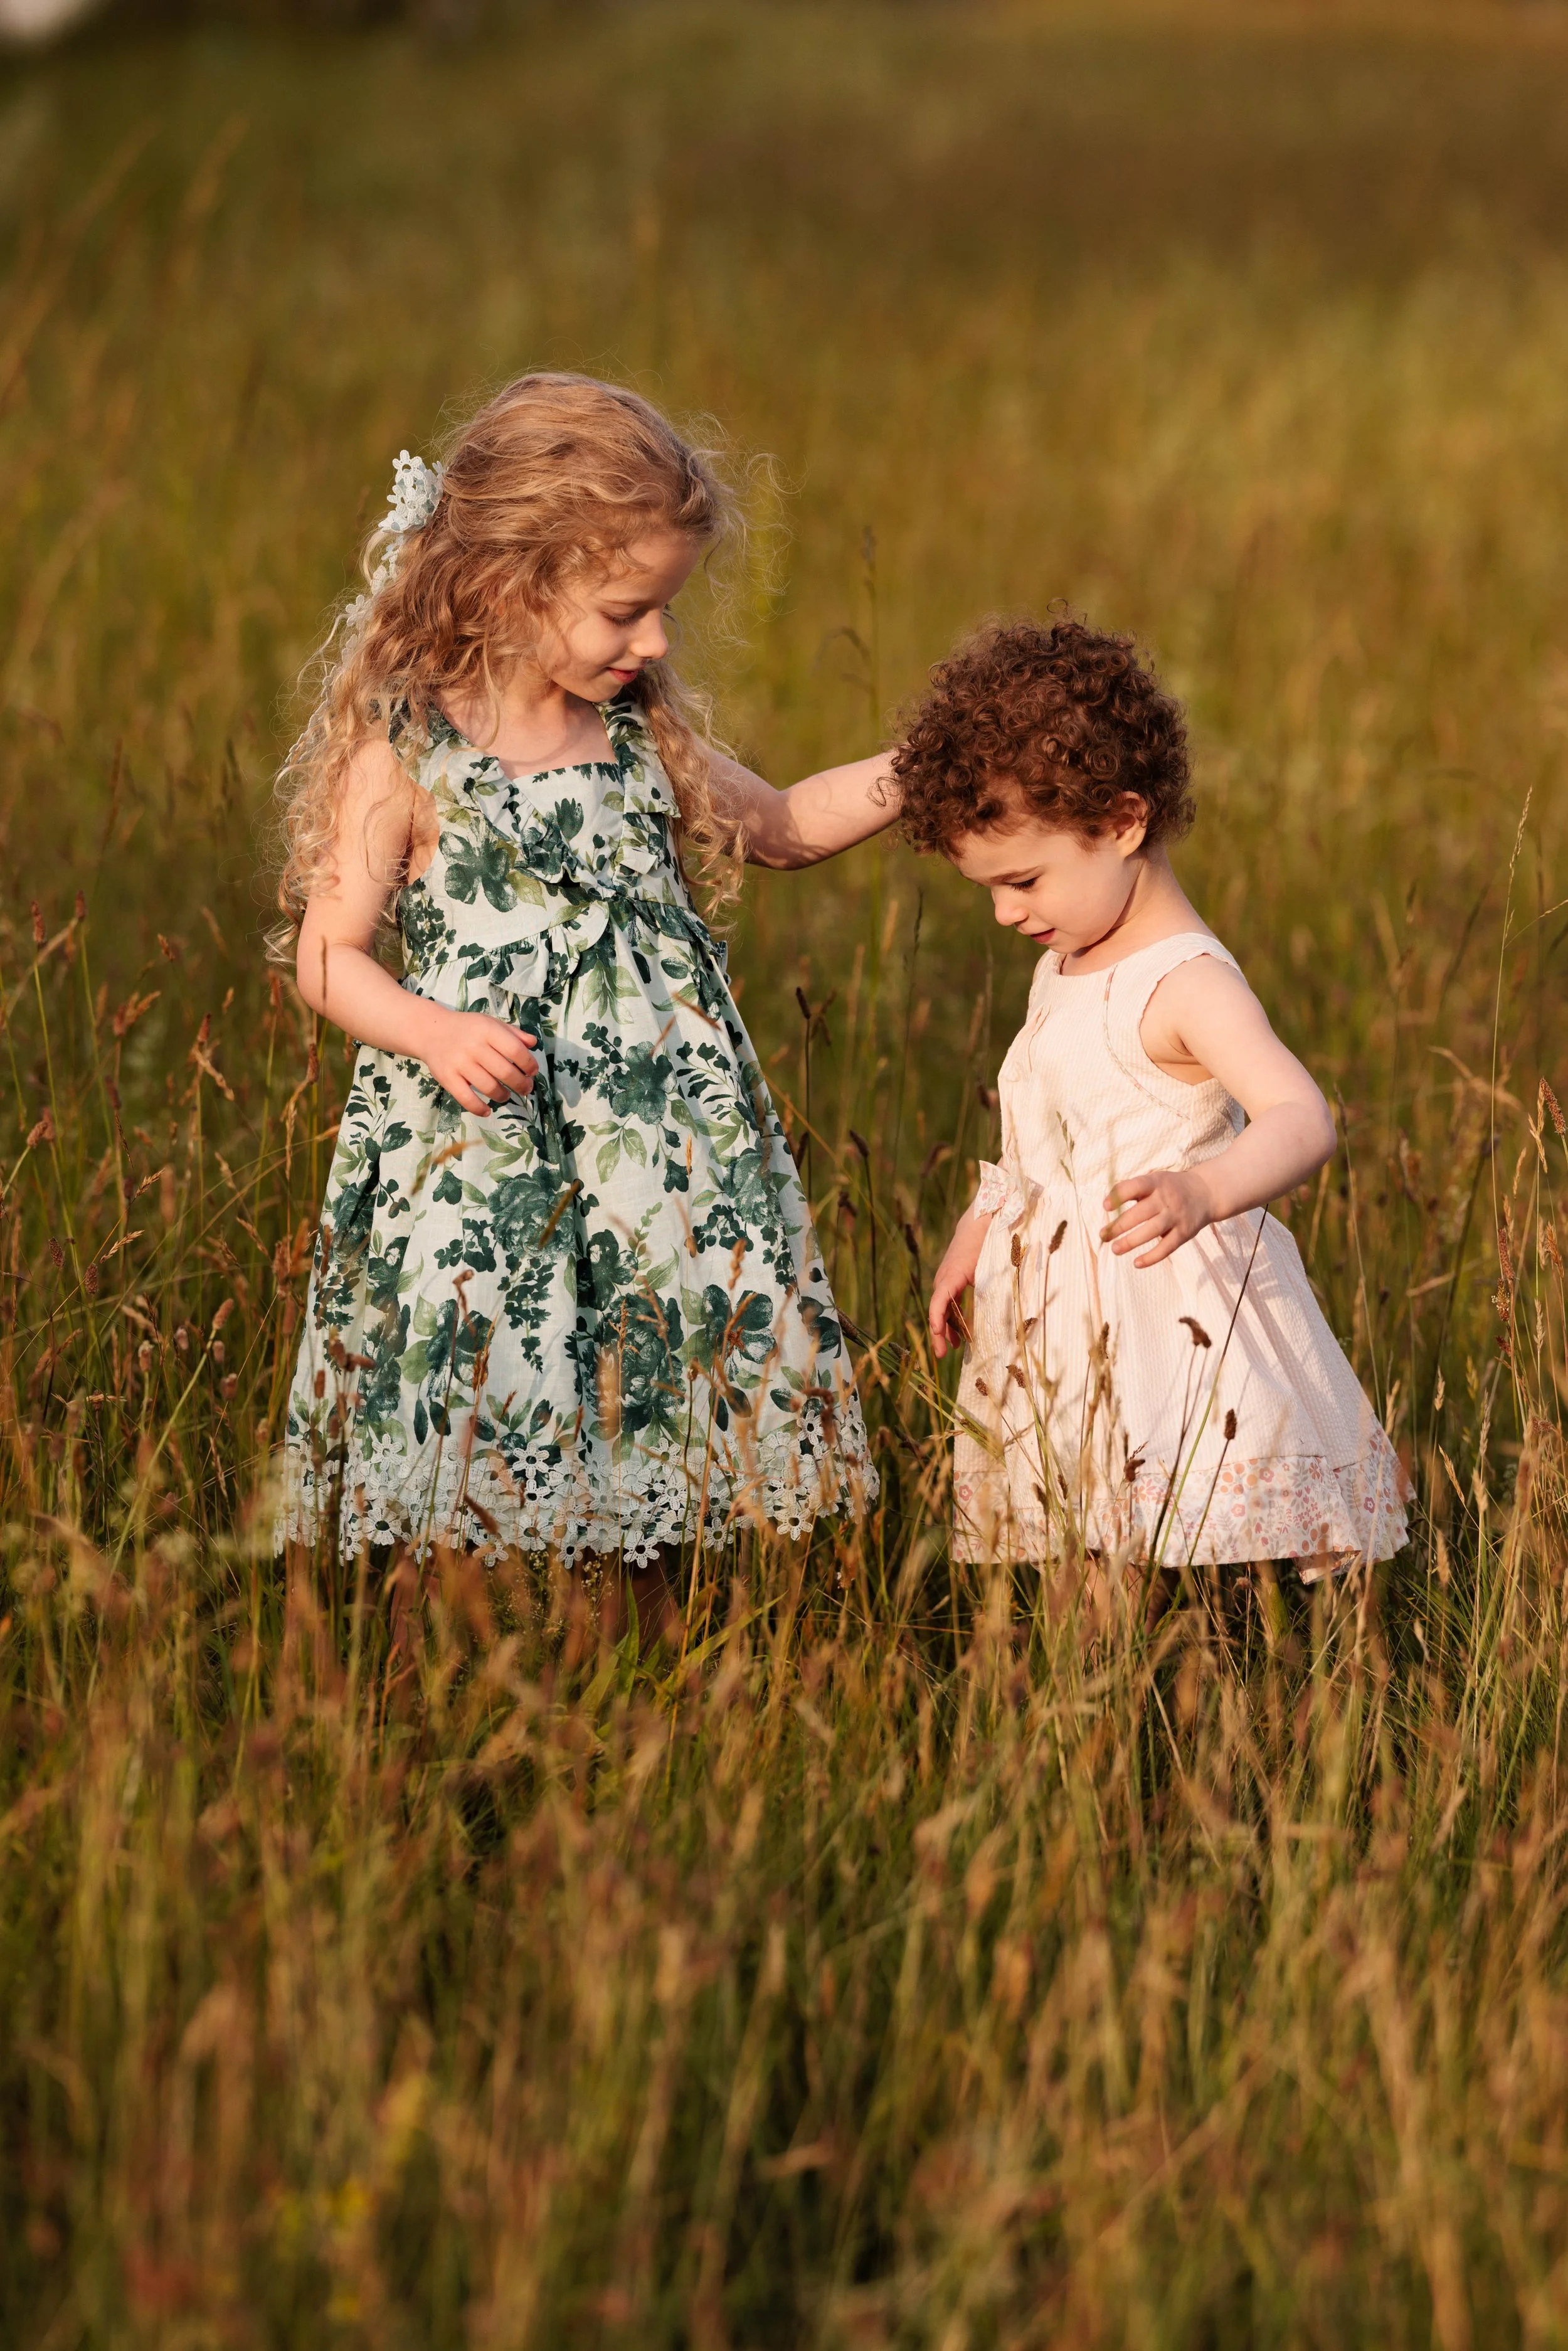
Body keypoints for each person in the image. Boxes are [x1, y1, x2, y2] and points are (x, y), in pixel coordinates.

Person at [273, 373, 891, 1633]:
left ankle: (637, 1674)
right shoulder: (409, 749)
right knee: (477, 1402)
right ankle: (435, 1674)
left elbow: (777, 826)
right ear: (512, 579)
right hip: (479, 1149)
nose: (655, 642)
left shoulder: (637, 738)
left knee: (634, 1394)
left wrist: (928, 760)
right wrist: (433, 1030)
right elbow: (326, 955)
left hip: (649, 1153)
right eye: (627, 611)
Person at [901, 616, 1407, 1596]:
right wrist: (981, 1227)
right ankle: (1094, 1715)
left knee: (1150, 1547)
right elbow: (1043, 1130)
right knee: (1071, 1554)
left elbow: (1302, 1118)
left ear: (1124, 822)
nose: (1006, 912)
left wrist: (1203, 1191)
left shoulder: (1186, 983)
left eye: (1024, 879)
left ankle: (1190, 1699)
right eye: (989, 889)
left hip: (1159, 1306)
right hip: (1057, 1312)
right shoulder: (1067, 960)